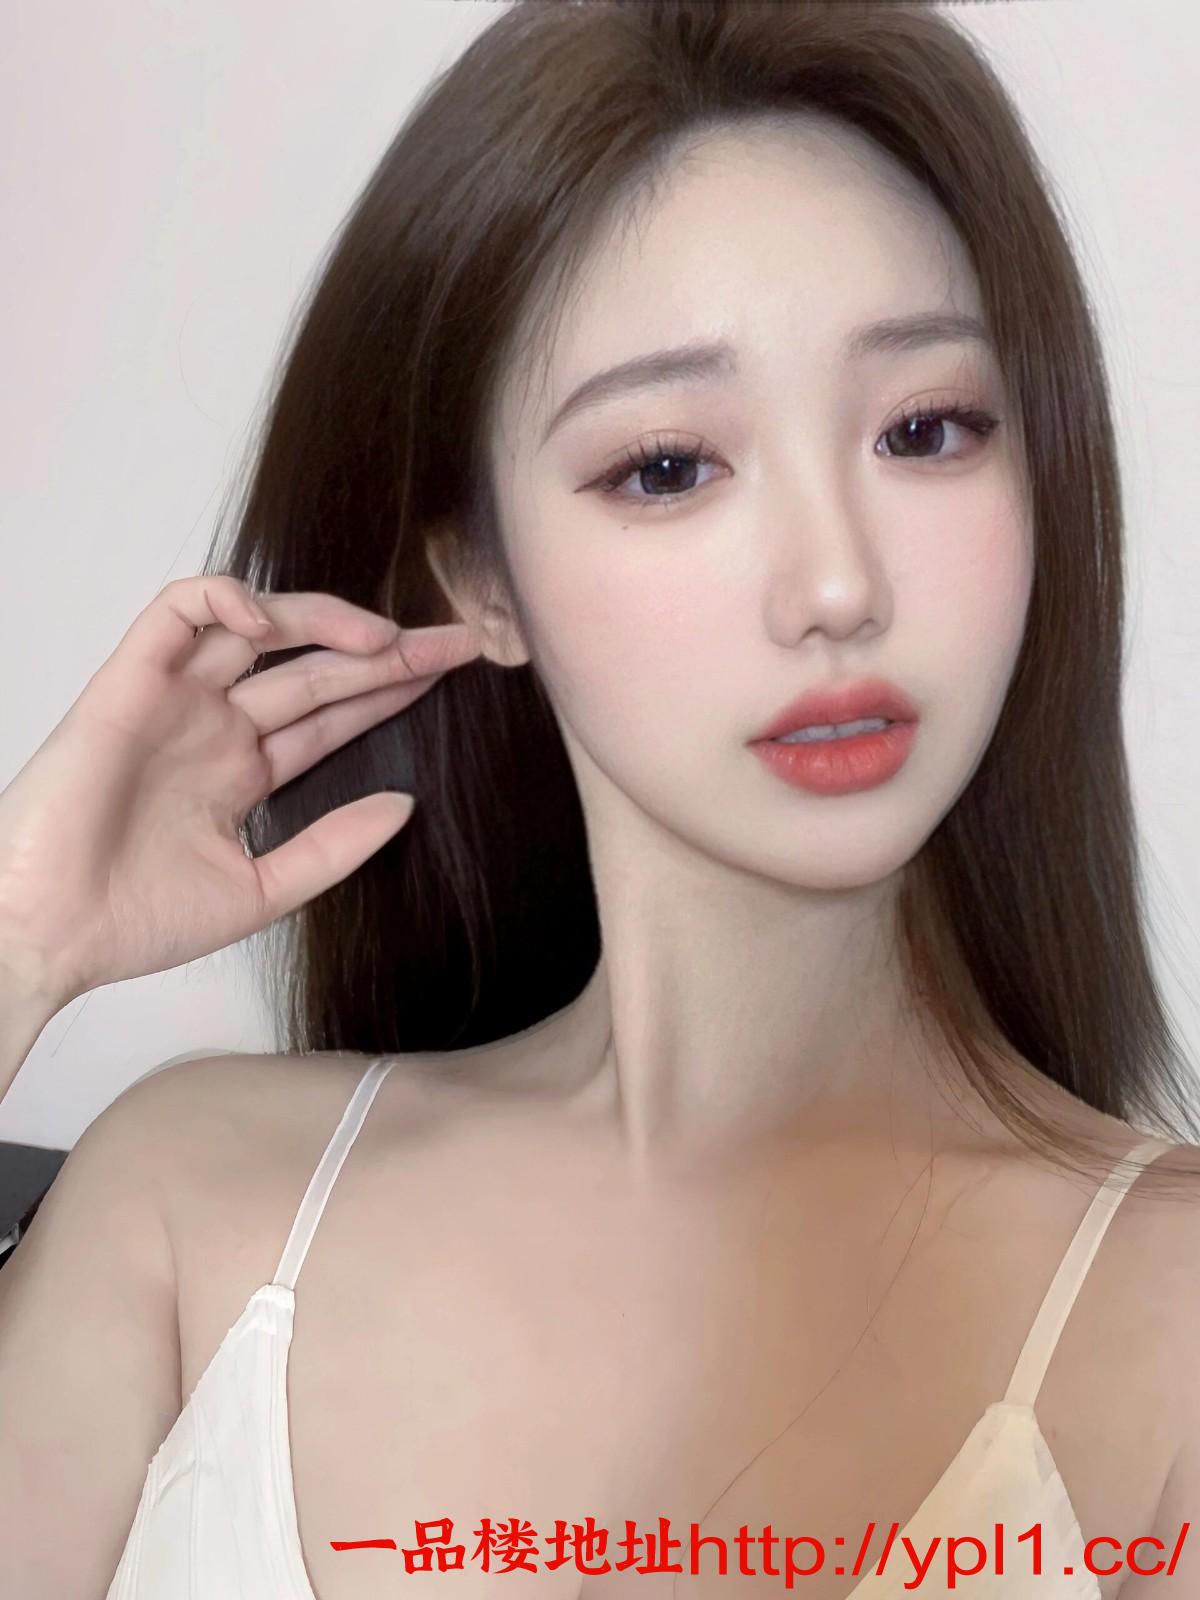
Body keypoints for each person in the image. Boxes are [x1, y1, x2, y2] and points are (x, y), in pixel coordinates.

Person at [0, 2, 1197, 1596]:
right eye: (668, 467)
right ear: (479, 580)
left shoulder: (1172, 1317)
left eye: (927, 430)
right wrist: (16, 945)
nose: (838, 585)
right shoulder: (188, 1205)